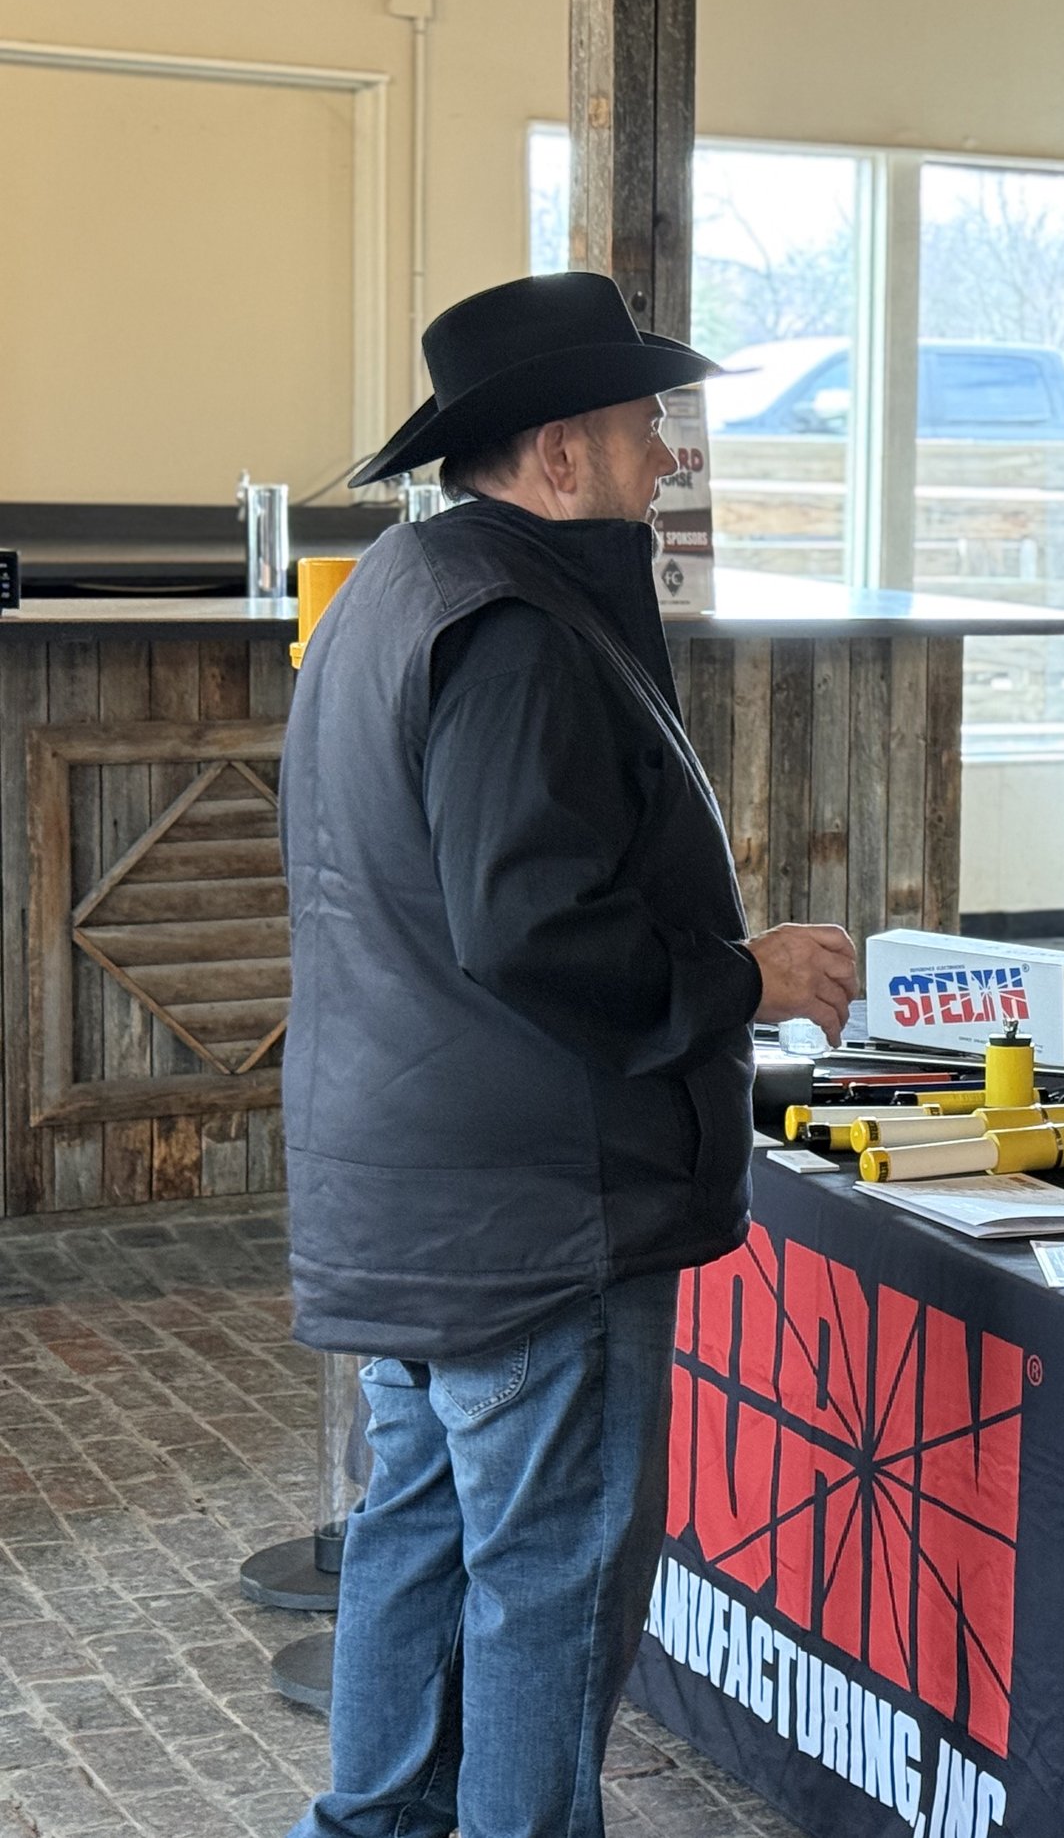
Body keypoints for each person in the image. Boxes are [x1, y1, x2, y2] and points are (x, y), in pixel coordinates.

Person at [281, 271, 862, 1838]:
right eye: (643, 424)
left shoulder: (397, 589)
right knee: (544, 1579)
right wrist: (744, 973)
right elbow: (535, 924)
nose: (669, 457)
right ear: (552, 454)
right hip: (535, 1211)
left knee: (413, 1532)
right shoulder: (520, 629)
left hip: (413, 1187)